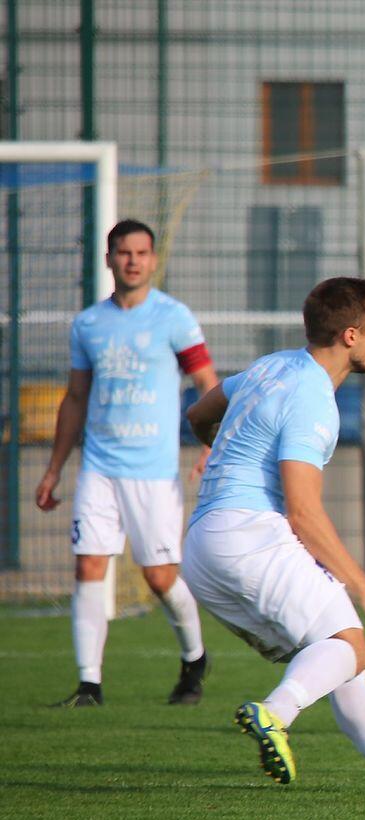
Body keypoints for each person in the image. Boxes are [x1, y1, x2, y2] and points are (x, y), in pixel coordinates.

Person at [182, 277, 365, 796]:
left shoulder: (271, 366)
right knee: (349, 643)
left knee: (333, 648)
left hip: (202, 546)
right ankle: (275, 712)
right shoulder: (312, 397)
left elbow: (199, 415)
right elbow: (304, 513)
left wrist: (218, 451)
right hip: (250, 537)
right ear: (351, 336)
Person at [36, 219, 217, 707]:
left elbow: (207, 383)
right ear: (109, 259)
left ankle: (194, 657)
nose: (132, 261)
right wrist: (54, 469)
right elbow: (76, 398)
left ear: (153, 260)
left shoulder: (174, 318)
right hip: (99, 468)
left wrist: (210, 443)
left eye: (141, 252)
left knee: (160, 577)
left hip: (154, 473)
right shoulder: (88, 324)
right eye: (123, 252)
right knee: (89, 565)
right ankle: (89, 684)